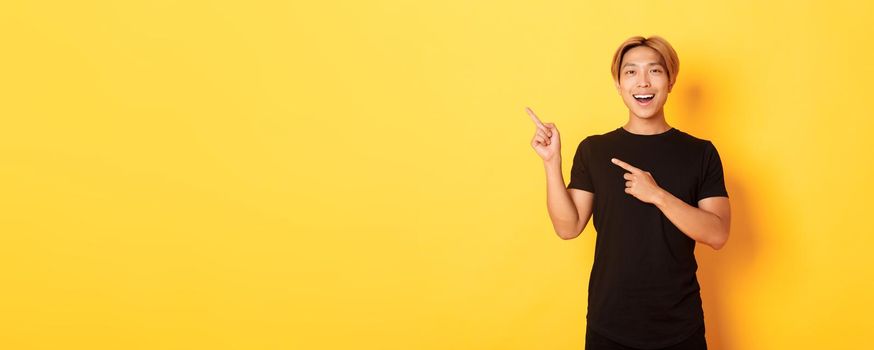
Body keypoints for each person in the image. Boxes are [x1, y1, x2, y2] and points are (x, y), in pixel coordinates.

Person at [527, 35, 731, 350]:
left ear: (671, 81)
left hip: (680, 327)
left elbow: (718, 234)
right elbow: (568, 227)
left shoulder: (700, 153)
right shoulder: (594, 150)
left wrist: (657, 195)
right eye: (631, 72)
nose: (643, 82)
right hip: (609, 326)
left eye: (655, 71)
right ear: (619, 84)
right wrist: (552, 163)